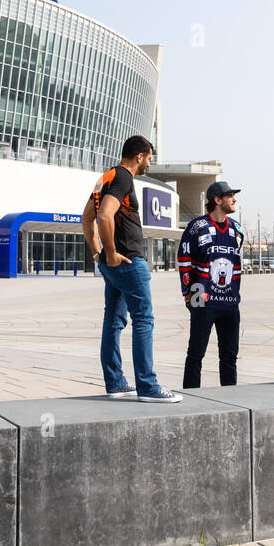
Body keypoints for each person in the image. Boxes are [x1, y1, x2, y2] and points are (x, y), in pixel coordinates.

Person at [80, 134, 181, 402]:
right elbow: (102, 216)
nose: (149, 163)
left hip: (113, 266)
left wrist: (96, 254)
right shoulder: (123, 177)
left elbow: (86, 217)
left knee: (113, 322)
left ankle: (115, 383)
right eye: (149, 158)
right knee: (143, 320)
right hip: (126, 262)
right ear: (139, 156)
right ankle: (147, 387)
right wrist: (110, 254)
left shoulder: (106, 177)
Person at [179, 181, 243, 388]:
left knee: (229, 357)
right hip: (202, 300)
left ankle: (230, 396)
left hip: (230, 303)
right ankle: (191, 395)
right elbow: (184, 262)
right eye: (230, 195)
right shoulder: (197, 227)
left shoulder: (237, 230)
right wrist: (188, 293)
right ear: (217, 200)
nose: (234, 199)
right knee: (196, 354)